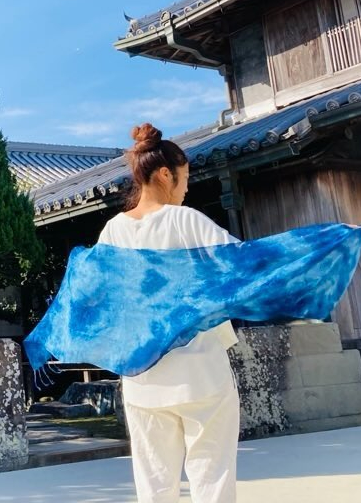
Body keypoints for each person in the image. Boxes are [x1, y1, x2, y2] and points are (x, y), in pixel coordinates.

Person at [98, 122, 240, 503]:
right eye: (186, 178)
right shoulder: (186, 220)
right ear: (165, 174)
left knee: (154, 486)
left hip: (143, 378)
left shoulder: (113, 232)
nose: (187, 187)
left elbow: (105, 300)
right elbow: (242, 265)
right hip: (201, 374)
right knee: (213, 478)